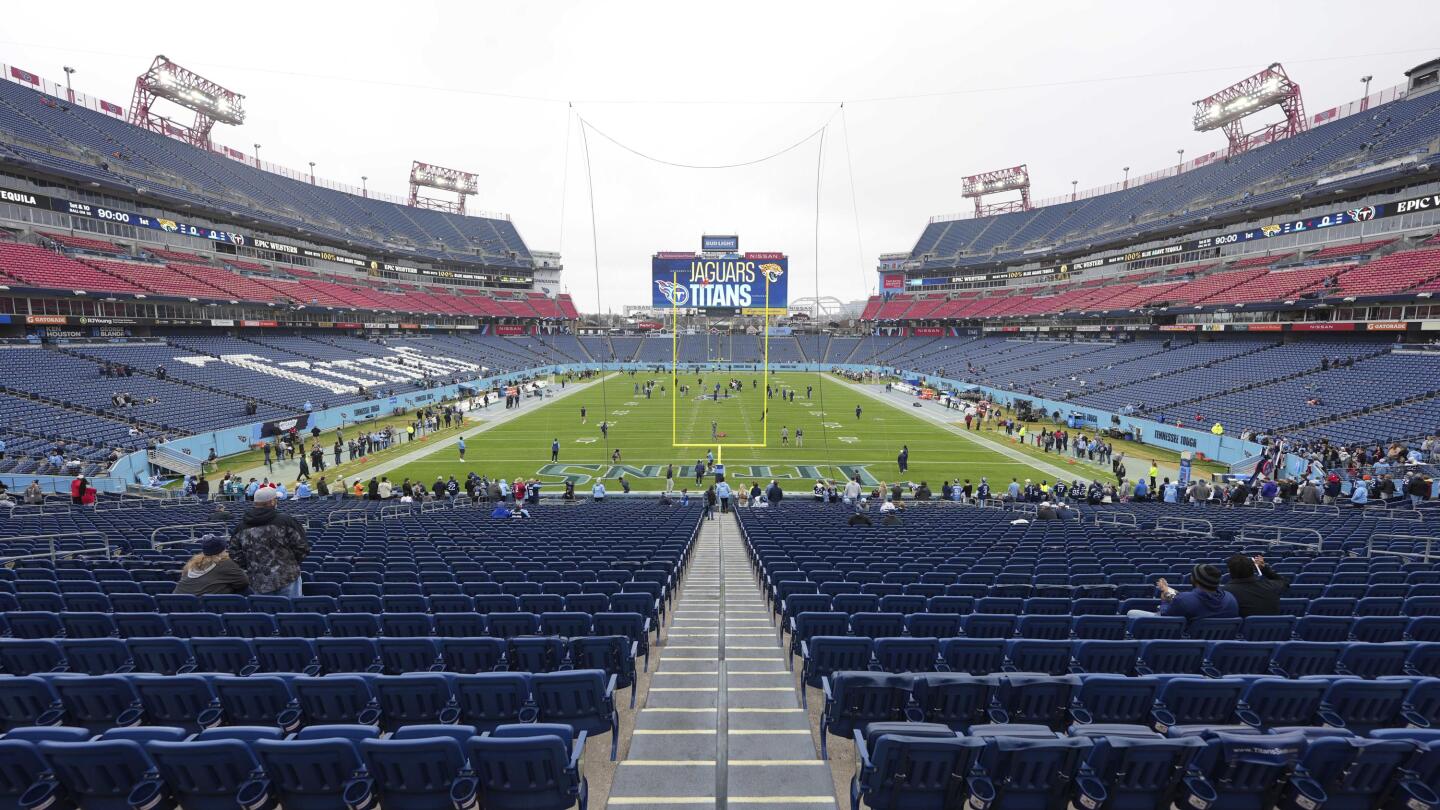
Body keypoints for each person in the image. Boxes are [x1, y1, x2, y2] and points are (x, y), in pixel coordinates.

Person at [227, 486, 308, 598]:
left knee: (267, 612)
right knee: (291, 612)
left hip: (258, 579)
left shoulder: (241, 527)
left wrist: (251, 567)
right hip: (287, 577)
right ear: (272, 501)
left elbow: (234, 554)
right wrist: (291, 564)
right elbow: (302, 546)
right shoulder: (286, 521)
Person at [1129, 564, 1238, 629]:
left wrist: (1164, 601)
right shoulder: (1230, 598)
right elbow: (1187, 600)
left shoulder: (1185, 600)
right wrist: (1168, 591)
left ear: (1196, 580)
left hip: (1186, 636)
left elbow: (1166, 616)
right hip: (1216, 642)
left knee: (1131, 613)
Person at [175, 534, 249, 596]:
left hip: (177, 603)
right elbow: (243, 582)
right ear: (222, 550)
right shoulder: (225, 562)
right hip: (201, 606)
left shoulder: (192, 563)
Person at [1224, 553, 1288, 617]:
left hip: (1243, 626)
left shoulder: (1225, 592)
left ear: (1229, 571)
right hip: (1274, 626)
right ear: (1253, 569)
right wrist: (1264, 568)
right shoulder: (1271, 586)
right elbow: (1284, 582)